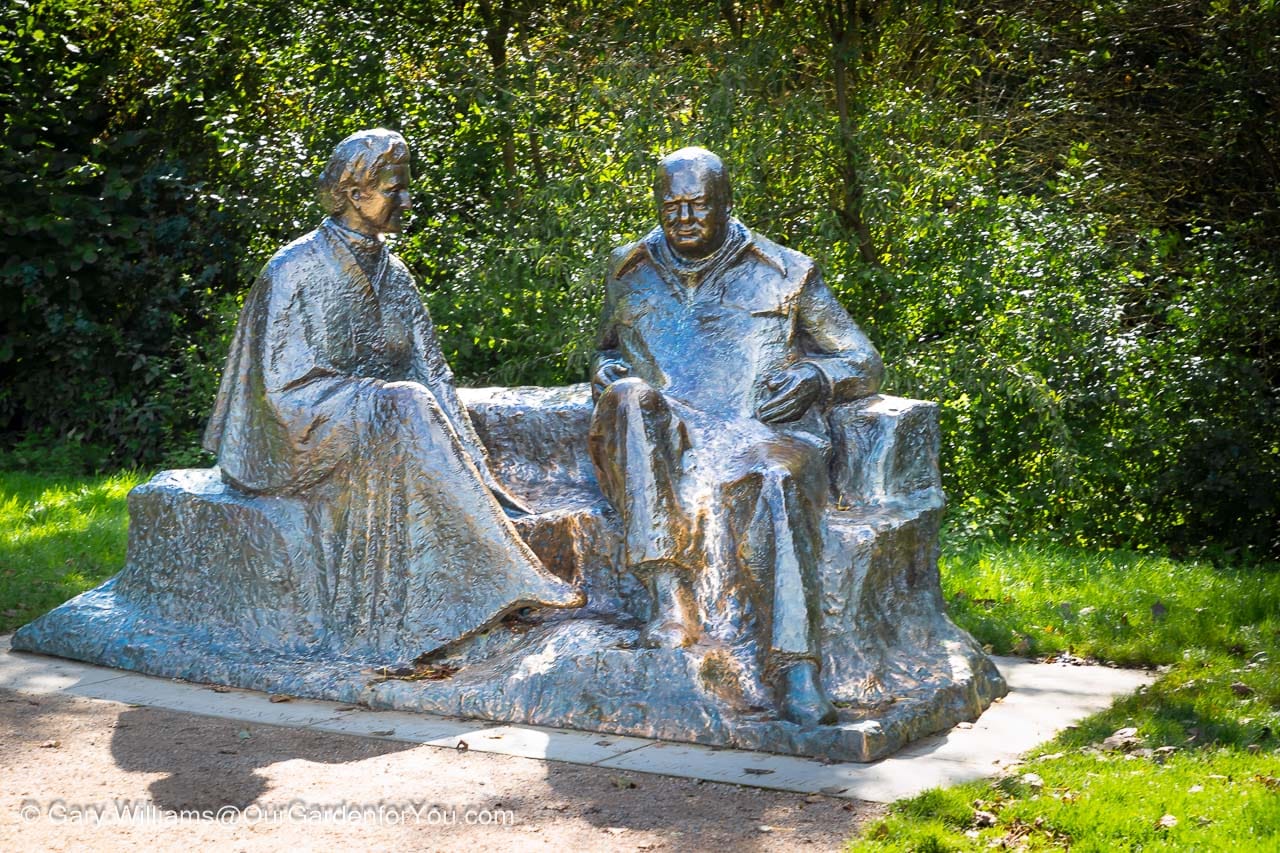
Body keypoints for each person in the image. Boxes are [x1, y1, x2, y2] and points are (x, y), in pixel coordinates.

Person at [204, 128, 583, 662]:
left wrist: (481, 474)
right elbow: (278, 388)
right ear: (354, 193)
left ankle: (491, 550)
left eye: (406, 187)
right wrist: (380, 400)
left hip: (364, 417)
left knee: (417, 401)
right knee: (403, 402)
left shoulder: (395, 274)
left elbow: (434, 374)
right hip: (293, 432)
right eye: (393, 187)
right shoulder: (294, 269)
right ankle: (512, 577)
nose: (406, 199)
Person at [588, 147, 884, 725]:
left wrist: (818, 375)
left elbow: (863, 360)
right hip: (672, 430)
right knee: (626, 398)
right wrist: (603, 372)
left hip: (762, 430)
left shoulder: (786, 272)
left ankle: (797, 667)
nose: (684, 218)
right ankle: (668, 599)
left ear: (726, 203)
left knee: (776, 478)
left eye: (699, 205)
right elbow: (603, 352)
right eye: (671, 206)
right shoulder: (628, 270)